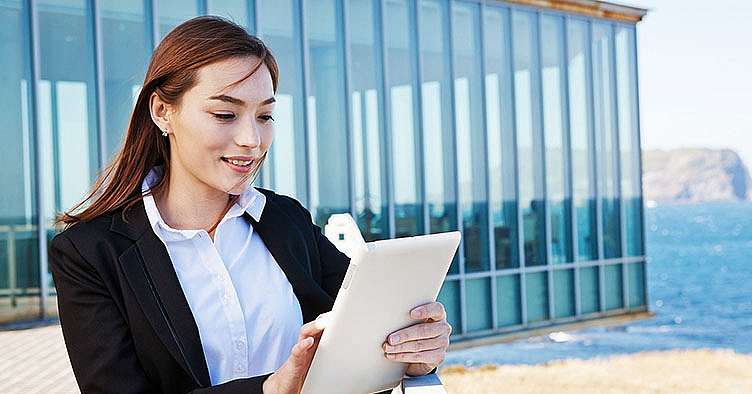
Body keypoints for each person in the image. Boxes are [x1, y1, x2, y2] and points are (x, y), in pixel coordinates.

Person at [48, 16, 451, 394]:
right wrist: (270, 389)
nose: (251, 140)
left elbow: (366, 336)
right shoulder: (90, 253)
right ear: (161, 112)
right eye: (225, 114)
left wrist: (413, 353)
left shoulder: (286, 220)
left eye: (265, 116)